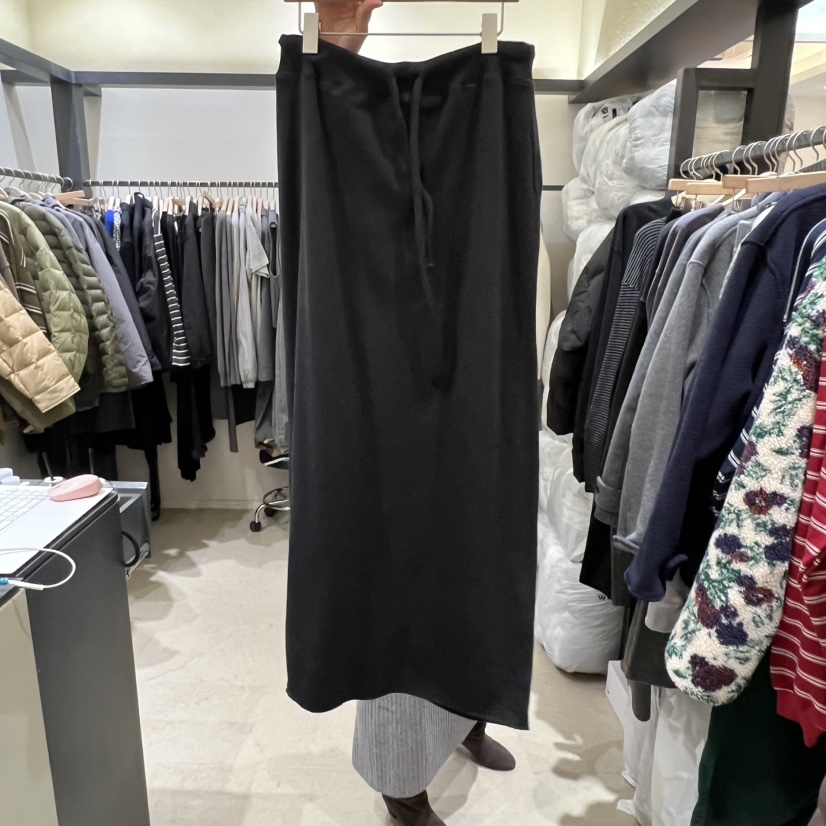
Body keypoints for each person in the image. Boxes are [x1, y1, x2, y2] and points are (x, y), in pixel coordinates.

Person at [307, 3, 520, 824]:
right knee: (393, 565)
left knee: (473, 543)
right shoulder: (336, 157)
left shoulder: (486, 138)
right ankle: (401, 783)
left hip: (467, 360)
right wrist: (334, 51)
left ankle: (467, 715)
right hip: (374, 377)